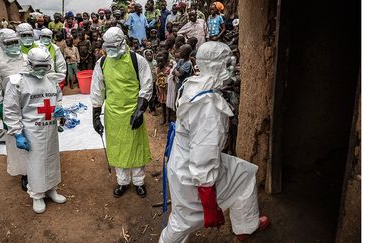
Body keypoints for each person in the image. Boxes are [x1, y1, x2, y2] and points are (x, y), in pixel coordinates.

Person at [159, 42, 269, 242]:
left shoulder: (194, 84)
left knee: (243, 174)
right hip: (193, 172)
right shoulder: (208, 107)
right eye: (228, 65)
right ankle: (245, 225)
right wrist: (210, 205)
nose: (232, 70)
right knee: (182, 222)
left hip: (181, 161)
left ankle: (246, 225)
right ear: (217, 66)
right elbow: (204, 157)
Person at [3, 48, 67, 214]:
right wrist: (17, 133)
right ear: (29, 63)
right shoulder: (17, 81)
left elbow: (57, 96)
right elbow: (11, 109)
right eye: (38, 66)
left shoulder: (50, 79)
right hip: (32, 129)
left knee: (52, 158)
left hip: (51, 127)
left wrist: (59, 108)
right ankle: (37, 195)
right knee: (36, 162)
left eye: (45, 66)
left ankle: (52, 189)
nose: (42, 69)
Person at [91, 27, 152, 198]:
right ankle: (123, 181)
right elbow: (97, 89)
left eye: (113, 47)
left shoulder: (136, 60)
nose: (110, 50)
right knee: (117, 147)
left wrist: (140, 110)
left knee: (136, 146)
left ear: (123, 43)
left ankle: (139, 181)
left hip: (134, 110)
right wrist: (95, 115)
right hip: (113, 113)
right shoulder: (102, 63)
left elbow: (147, 85)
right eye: (107, 47)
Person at [0, 28, 29, 191]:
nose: (14, 45)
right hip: (10, 108)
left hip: (30, 106)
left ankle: (37, 168)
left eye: (15, 41)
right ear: (2, 44)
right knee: (17, 144)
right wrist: (4, 113)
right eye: (9, 43)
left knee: (34, 139)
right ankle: (25, 174)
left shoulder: (24, 58)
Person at [155, 50, 170, 125]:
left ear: (165, 62)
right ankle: (163, 118)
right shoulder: (157, 69)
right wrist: (157, 90)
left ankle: (168, 119)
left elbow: (168, 80)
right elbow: (157, 81)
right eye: (158, 62)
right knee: (162, 105)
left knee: (167, 105)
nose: (160, 63)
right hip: (161, 90)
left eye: (162, 61)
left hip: (166, 90)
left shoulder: (167, 70)